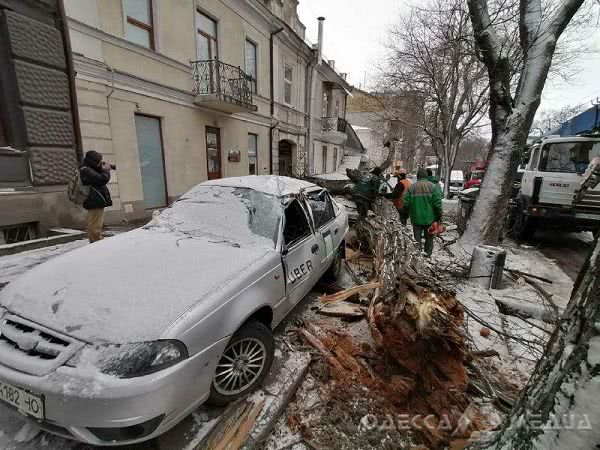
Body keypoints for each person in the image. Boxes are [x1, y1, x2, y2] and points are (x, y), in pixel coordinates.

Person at [403, 168, 443, 256]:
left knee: (417, 239)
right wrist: (439, 215)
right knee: (429, 238)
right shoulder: (433, 187)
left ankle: (417, 255)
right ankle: (427, 254)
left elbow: (405, 202)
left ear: (417, 177)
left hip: (416, 217)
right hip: (430, 218)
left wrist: (406, 213)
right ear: (426, 176)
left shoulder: (412, 187)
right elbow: (437, 204)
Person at [80, 150, 113, 242]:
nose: (100, 163)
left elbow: (97, 175)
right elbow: (102, 179)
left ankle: (96, 239)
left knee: (96, 222)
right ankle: (96, 241)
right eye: (99, 161)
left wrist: (102, 168)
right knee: (95, 224)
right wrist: (106, 170)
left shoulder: (88, 168)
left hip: (95, 199)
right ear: (93, 161)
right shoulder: (85, 170)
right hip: (93, 200)